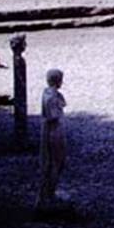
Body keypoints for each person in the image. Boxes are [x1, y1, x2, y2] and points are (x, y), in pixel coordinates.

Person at [37, 68, 67, 209]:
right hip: (54, 132)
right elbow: (52, 116)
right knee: (55, 162)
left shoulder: (49, 93)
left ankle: (49, 192)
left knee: (54, 162)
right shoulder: (51, 97)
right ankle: (49, 193)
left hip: (53, 131)